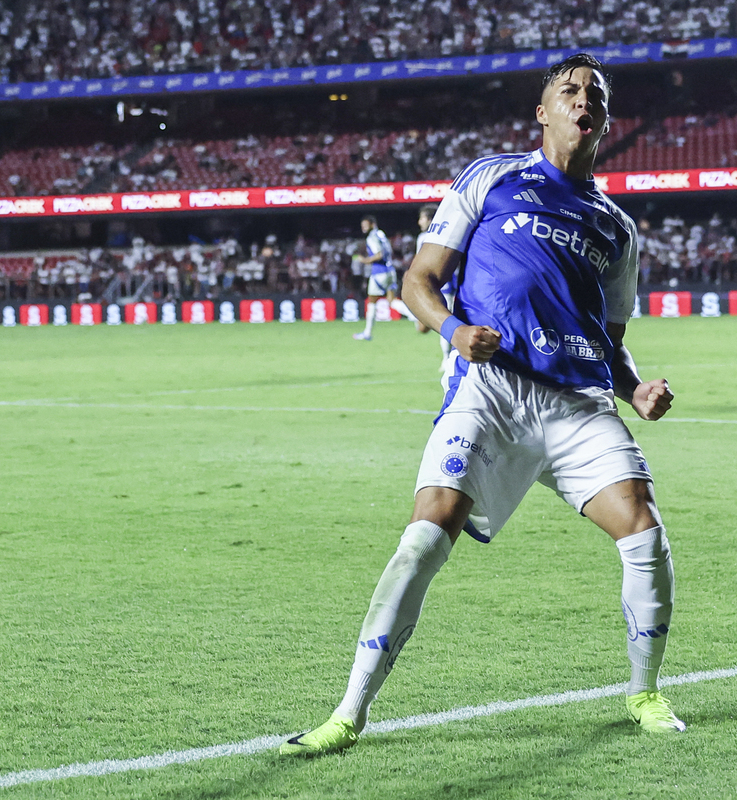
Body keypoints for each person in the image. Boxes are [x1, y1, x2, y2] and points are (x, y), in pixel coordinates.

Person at [280, 53, 684, 758]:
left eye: (596, 94)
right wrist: (452, 330)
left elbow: (610, 341)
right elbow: (418, 280)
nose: (583, 100)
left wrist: (636, 387)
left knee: (645, 535)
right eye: (569, 90)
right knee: (422, 541)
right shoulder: (491, 178)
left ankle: (644, 690)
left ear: (606, 121)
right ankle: (348, 712)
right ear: (544, 110)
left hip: (579, 406)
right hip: (491, 391)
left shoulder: (617, 228)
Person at [412, 202, 456, 371]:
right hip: (445, 285)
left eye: (422, 218)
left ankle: (447, 358)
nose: (419, 222)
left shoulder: (425, 238)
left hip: (437, 285)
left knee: (443, 322)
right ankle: (447, 358)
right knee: (444, 322)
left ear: (430, 220)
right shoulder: (448, 233)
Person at [352, 215, 396, 341]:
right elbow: (388, 251)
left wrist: (365, 260)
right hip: (390, 270)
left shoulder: (372, 237)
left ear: (372, 224)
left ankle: (367, 332)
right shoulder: (381, 234)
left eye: (365, 225)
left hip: (379, 272)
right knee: (391, 300)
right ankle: (414, 317)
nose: (363, 228)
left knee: (372, 301)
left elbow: (379, 254)